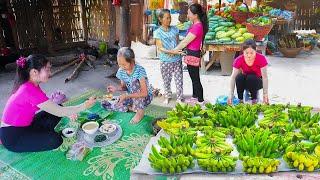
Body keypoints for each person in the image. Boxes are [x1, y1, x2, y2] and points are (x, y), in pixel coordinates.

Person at [0, 55, 96, 152]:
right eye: (47, 70)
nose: (50, 73)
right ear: (34, 72)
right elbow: (59, 112)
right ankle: (38, 136)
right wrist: (84, 105)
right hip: (13, 137)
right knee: (55, 140)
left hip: (26, 124)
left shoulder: (31, 85)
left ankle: (37, 136)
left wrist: (67, 112)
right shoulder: (28, 90)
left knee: (58, 107)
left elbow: (54, 108)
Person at [170, 3, 208, 104]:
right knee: (193, 77)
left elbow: (185, 41)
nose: (188, 15)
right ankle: (195, 96)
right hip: (192, 53)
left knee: (195, 78)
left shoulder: (197, 26)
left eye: (189, 13)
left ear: (195, 15)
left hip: (193, 54)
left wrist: (174, 50)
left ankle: (200, 100)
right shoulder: (196, 24)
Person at [107, 47, 153, 124]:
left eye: (124, 65)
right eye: (119, 65)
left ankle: (140, 112)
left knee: (134, 83)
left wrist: (126, 96)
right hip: (132, 97)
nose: (121, 67)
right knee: (110, 103)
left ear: (132, 61)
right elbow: (124, 87)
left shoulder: (140, 70)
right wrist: (116, 89)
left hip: (144, 98)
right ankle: (132, 108)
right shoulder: (121, 71)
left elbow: (144, 93)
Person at [153, 9, 183, 104]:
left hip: (177, 59)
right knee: (166, 80)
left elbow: (178, 43)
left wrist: (176, 52)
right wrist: (172, 51)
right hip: (165, 60)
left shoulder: (175, 29)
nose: (169, 20)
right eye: (167, 18)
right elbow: (160, 48)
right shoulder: (157, 32)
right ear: (160, 19)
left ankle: (179, 98)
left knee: (179, 80)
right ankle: (167, 96)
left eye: (170, 17)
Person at [228, 39, 269, 105]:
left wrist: (265, 94)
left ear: (256, 50)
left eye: (251, 53)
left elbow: (265, 78)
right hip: (244, 82)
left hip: (257, 82)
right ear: (243, 51)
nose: (249, 55)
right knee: (239, 77)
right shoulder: (239, 60)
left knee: (251, 77)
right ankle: (240, 100)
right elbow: (233, 77)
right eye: (246, 53)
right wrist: (231, 94)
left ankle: (254, 99)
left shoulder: (261, 58)